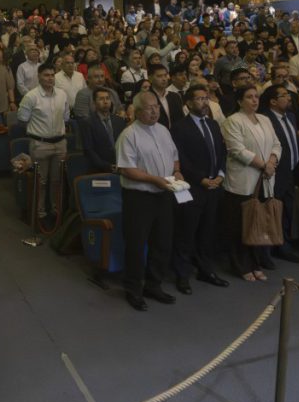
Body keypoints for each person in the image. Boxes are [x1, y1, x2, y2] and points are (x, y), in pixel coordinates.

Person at [115, 91, 182, 311]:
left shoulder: (163, 130)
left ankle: (154, 285)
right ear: (136, 111)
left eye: (156, 107)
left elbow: (174, 157)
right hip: (139, 197)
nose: (154, 111)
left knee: (162, 242)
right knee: (136, 244)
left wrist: (177, 173)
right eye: (148, 108)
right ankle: (133, 289)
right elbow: (126, 169)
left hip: (164, 194)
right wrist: (154, 179)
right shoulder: (129, 135)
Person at [171, 85, 229, 292]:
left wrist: (221, 174)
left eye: (206, 98)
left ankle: (206, 270)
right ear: (188, 103)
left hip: (214, 186)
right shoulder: (179, 127)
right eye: (199, 99)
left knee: (208, 232)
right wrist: (201, 179)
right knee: (187, 233)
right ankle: (182, 275)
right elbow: (181, 160)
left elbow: (222, 152)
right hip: (193, 187)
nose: (204, 102)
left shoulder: (213, 124)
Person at [221, 86, 281, 282]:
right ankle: (241, 265)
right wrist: (264, 165)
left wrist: (272, 162)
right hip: (243, 180)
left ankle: (255, 263)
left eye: (256, 97)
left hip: (265, 179)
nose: (254, 100)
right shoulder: (233, 121)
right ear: (239, 101)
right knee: (240, 225)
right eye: (249, 97)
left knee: (258, 224)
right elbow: (237, 150)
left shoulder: (265, 119)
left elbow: (276, 144)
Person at [17, 63, 70, 224]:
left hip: (60, 144)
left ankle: (56, 213)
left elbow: (66, 118)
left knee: (57, 181)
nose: (50, 78)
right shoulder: (31, 96)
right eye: (46, 75)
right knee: (40, 182)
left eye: (52, 75)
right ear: (39, 77)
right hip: (40, 145)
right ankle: (39, 215)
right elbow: (22, 119)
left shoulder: (62, 94)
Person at [259, 85, 299, 264]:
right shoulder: (265, 119)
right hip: (273, 173)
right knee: (270, 212)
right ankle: (266, 252)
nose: (289, 98)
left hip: (291, 171)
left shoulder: (291, 117)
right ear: (273, 101)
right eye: (284, 95)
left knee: (287, 211)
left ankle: (283, 246)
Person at [79, 88, 125, 173]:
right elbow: (89, 150)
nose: (105, 101)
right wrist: (106, 166)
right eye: (101, 99)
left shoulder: (119, 121)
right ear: (94, 103)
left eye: (107, 98)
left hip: (121, 166)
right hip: (99, 169)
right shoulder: (88, 123)